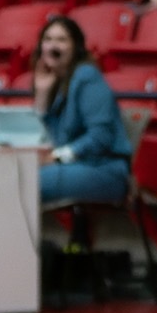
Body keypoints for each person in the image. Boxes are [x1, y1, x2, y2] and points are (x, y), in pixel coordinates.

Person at [33, 16, 133, 205]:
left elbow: (100, 137)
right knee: (9, 178)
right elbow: (44, 137)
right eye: (48, 40)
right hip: (69, 167)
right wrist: (42, 94)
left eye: (61, 40)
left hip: (102, 169)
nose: (53, 46)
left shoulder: (87, 76)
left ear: (76, 47)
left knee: (24, 182)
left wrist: (56, 157)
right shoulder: (51, 81)